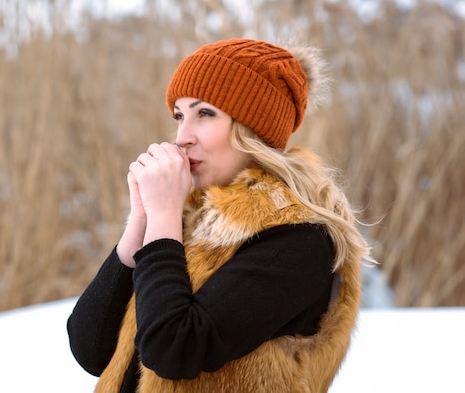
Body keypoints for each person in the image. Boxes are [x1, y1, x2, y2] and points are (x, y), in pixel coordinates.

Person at [67, 38, 371, 392]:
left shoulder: (299, 237)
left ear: (252, 127)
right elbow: (91, 351)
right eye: (179, 116)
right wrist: (141, 222)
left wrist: (164, 220)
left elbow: (173, 349)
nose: (182, 137)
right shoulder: (189, 218)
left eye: (205, 114)